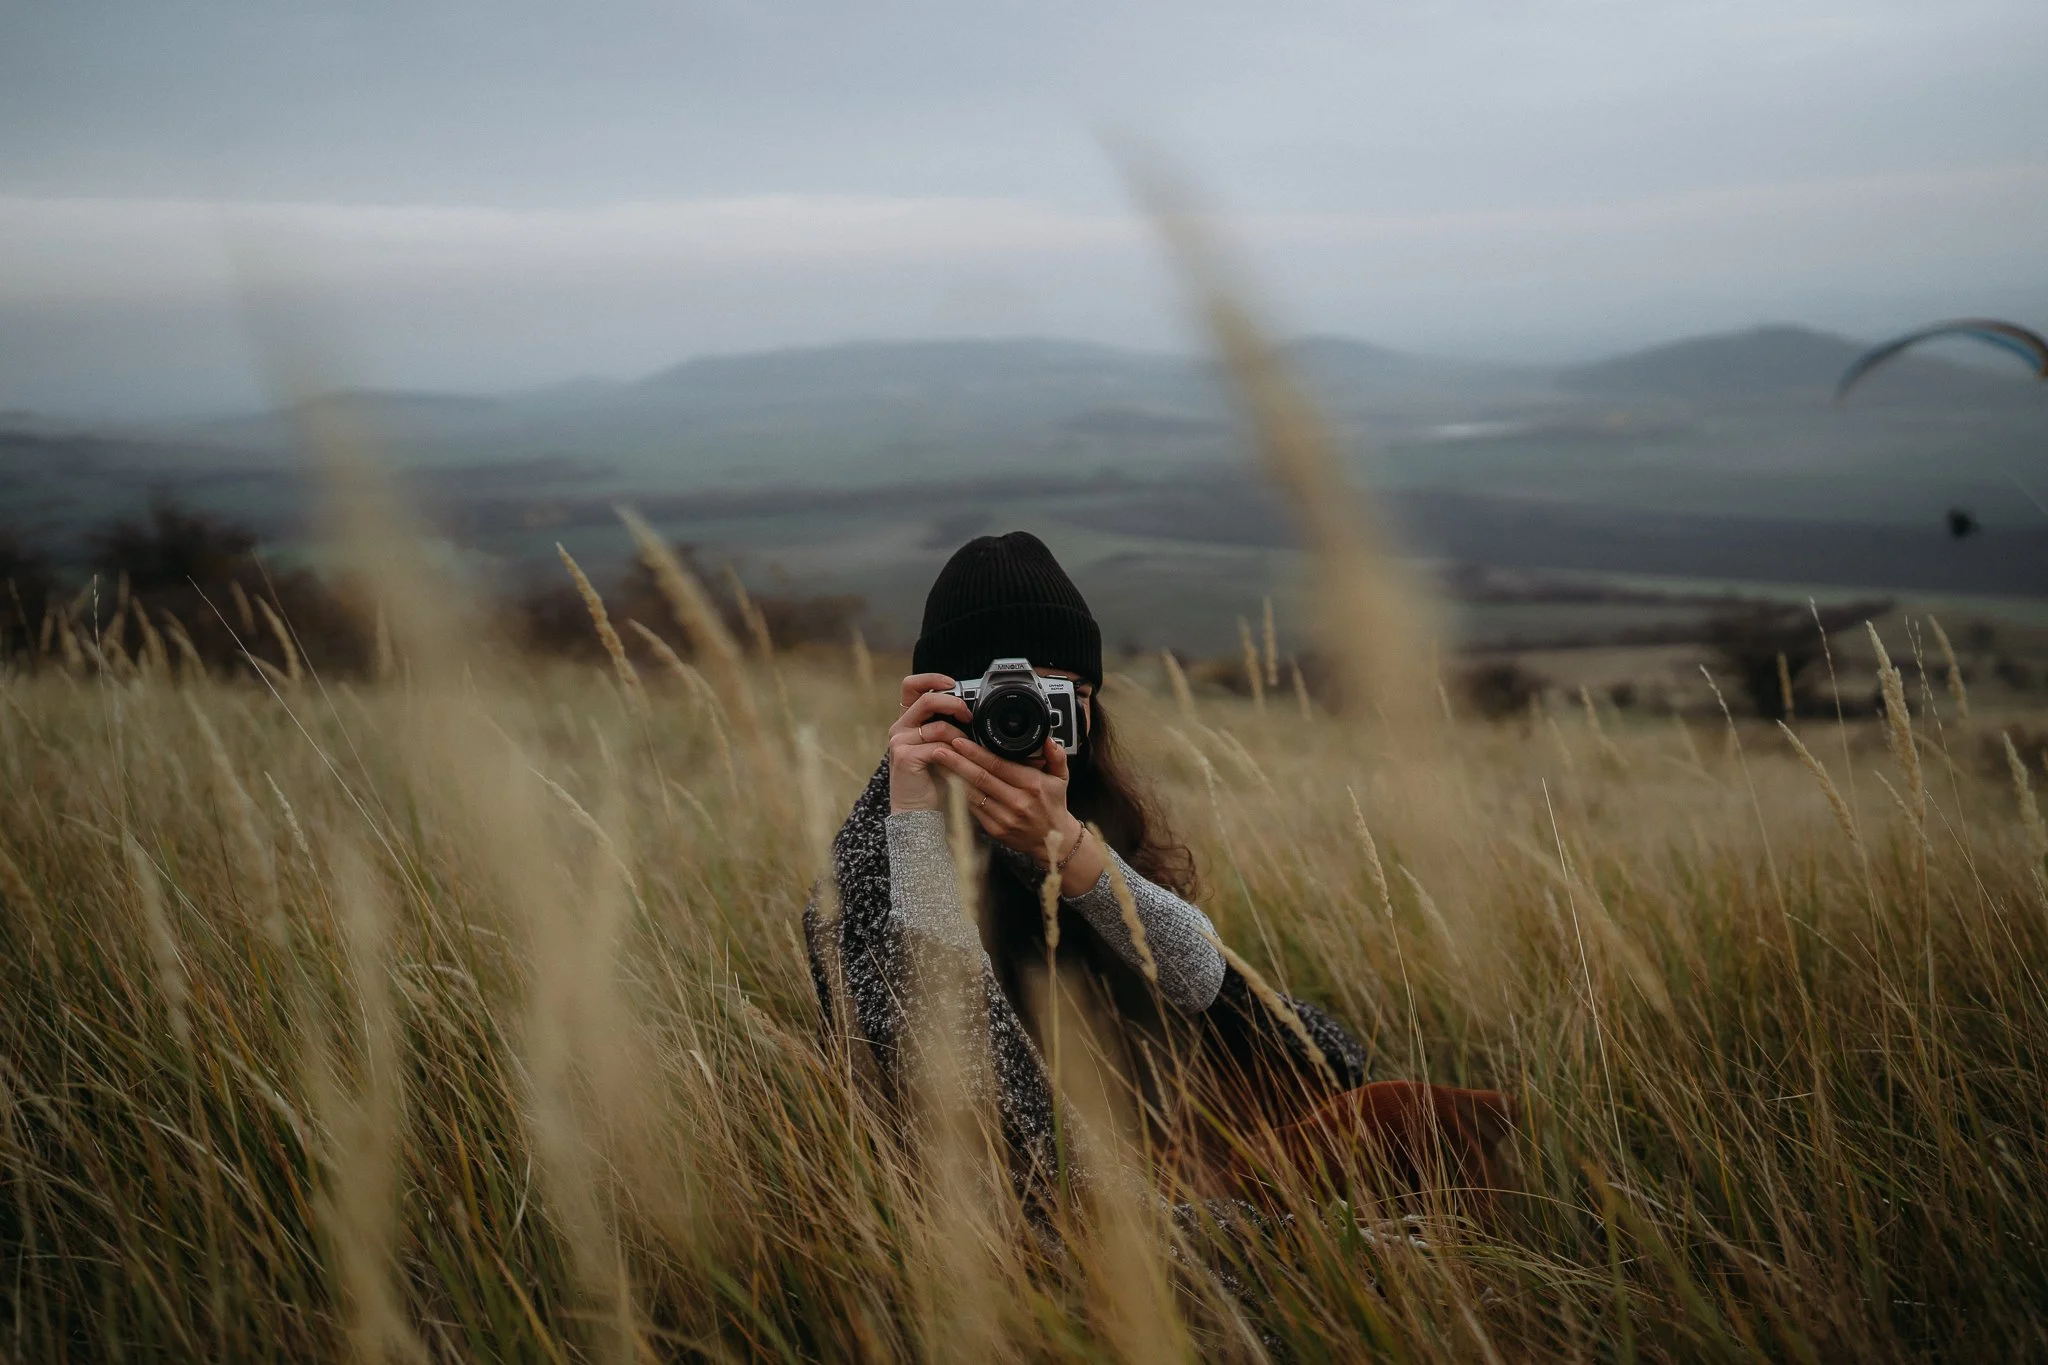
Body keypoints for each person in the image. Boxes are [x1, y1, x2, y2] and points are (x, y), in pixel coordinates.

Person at [802, 532, 1508, 1216]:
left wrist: (1070, 851)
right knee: (1377, 1147)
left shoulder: (1085, 810)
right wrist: (918, 824)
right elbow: (946, 1063)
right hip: (1051, 1176)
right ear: (936, 701)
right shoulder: (873, 860)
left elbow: (1202, 979)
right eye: (995, 698)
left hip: (1155, 1111)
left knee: (1424, 1117)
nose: (1022, 720)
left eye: (1060, 692)